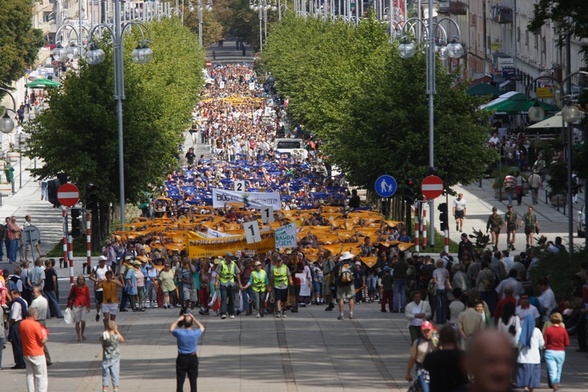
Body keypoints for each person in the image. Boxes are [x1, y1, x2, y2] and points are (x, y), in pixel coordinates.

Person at [423, 326, 468, 392]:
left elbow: (426, 366)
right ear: (455, 338)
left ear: (440, 339)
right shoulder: (462, 356)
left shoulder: (431, 357)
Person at [170, 313, 205, 392]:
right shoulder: (195, 333)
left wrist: (178, 319)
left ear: (183, 324)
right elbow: (202, 328)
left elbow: (171, 329)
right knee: (193, 381)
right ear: (192, 323)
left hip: (182, 357)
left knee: (180, 380)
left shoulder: (180, 333)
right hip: (192, 357)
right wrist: (194, 319)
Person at [19, 307, 48, 392]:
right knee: (41, 375)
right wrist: (45, 337)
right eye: (36, 314)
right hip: (37, 352)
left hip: (26, 352)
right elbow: (41, 340)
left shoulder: (22, 324)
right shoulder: (35, 325)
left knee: (30, 375)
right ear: (33, 315)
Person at [514, 314, 544, 392]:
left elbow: (515, 343)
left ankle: (525, 388)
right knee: (533, 377)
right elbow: (542, 344)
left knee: (523, 375)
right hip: (535, 358)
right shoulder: (537, 331)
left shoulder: (520, 330)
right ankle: (531, 389)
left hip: (523, 358)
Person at [405, 320, 437, 392]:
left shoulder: (437, 341)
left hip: (435, 370)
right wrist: (408, 373)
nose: (427, 333)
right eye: (424, 331)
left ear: (432, 329)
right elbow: (412, 358)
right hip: (422, 369)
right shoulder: (417, 342)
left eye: (428, 330)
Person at [543, 312, 569, 392]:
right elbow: (567, 343)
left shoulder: (548, 330)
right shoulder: (563, 330)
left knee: (552, 370)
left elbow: (544, 343)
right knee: (559, 370)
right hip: (561, 352)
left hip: (550, 352)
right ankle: (556, 385)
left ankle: (555, 387)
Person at [100, 320, 125, 392]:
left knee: (105, 375)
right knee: (115, 374)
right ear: (115, 328)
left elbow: (100, 339)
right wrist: (117, 331)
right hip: (115, 358)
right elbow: (122, 340)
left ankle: (105, 388)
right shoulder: (116, 337)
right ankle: (115, 388)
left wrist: (105, 333)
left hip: (106, 358)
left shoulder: (104, 337)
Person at [29, 287, 51, 365]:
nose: (33, 294)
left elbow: (30, 311)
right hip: (43, 321)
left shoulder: (35, 301)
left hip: (37, 321)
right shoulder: (44, 300)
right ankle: (47, 358)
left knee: (37, 341)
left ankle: (43, 358)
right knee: (43, 340)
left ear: (38, 292)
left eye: (34, 292)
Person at [66, 275, 92, 341]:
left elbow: (88, 297)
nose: (81, 280)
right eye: (79, 279)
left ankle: (82, 333)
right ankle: (78, 336)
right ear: (77, 280)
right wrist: (68, 305)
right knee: (77, 322)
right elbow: (70, 296)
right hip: (76, 305)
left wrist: (89, 306)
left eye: (82, 279)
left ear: (84, 280)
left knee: (83, 321)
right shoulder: (74, 287)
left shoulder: (86, 287)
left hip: (83, 305)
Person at [332, 251, 356, 320]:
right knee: (351, 298)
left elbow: (333, 272)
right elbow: (355, 273)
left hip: (340, 283)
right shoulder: (352, 264)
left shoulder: (339, 264)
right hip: (350, 283)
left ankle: (341, 314)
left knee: (340, 298)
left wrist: (333, 280)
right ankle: (351, 313)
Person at [217, 253, 241, 319]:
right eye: (229, 257)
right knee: (224, 298)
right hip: (223, 283)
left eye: (231, 257)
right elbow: (218, 273)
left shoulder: (233, 264)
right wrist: (216, 281)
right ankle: (223, 313)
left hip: (231, 283)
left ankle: (231, 312)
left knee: (232, 298)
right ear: (226, 257)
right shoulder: (221, 263)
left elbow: (237, 273)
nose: (231, 259)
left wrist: (239, 283)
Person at [9, 289, 27, 369]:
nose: (11, 297)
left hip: (16, 324)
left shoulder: (16, 303)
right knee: (22, 343)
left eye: (12, 294)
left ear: (15, 294)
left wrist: (10, 323)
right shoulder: (24, 301)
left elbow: (14, 316)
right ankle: (23, 361)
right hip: (23, 322)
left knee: (16, 344)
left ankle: (19, 362)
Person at [90, 256, 112, 322]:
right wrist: (96, 280)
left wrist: (108, 279)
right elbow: (91, 276)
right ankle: (98, 312)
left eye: (104, 261)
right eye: (102, 261)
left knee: (106, 302)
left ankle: (105, 314)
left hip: (106, 287)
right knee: (98, 303)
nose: (104, 262)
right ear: (99, 262)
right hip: (98, 287)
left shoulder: (108, 268)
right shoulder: (96, 268)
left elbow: (112, 275)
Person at [432, 259, 451, 324]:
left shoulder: (435, 271)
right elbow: (447, 279)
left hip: (438, 288)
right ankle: (444, 319)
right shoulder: (446, 271)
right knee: (444, 304)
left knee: (438, 304)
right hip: (444, 288)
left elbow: (434, 281)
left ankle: (439, 319)